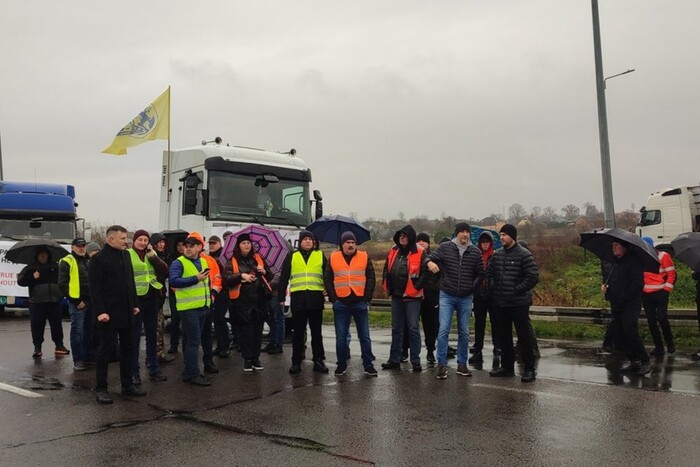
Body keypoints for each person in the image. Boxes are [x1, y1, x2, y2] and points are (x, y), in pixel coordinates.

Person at [89, 225, 146, 404]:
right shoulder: (98, 259)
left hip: (127, 312)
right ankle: (101, 388)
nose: (126, 242)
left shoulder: (126, 255)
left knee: (128, 349)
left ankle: (127, 385)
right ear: (110, 239)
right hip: (108, 314)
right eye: (122, 239)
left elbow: (130, 283)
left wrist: (135, 304)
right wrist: (100, 311)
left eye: (126, 238)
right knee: (106, 351)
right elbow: (95, 289)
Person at [426, 222, 483, 379]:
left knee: (464, 332)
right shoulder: (445, 248)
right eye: (462, 232)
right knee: (444, 329)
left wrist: (472, 287)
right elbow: (429, 258)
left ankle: (461, 364)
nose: (465, 235)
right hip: (447, 294)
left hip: (466, 296)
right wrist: (430, 263)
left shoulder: (475, 252)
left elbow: (480, 273)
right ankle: (442, 364)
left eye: (467, 232)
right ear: (456, 233)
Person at [488, 225, 540, 382]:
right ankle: (507, 367)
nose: (501, 237)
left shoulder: (524, 255)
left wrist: (517, 289)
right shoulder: (497, 255)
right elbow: (489, 274)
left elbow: (532, 276)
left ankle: (529, 369)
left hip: (519, 303)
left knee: (524, 337)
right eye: (500, 235)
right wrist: (494, 288)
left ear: (512, 236)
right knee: (504, 336)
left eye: (504, 234)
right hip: (501, 302)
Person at [323, 231, 378, 377]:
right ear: (342, 244)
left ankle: (368, 365)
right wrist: (334, 299)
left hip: (359, 302)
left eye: (353, 242)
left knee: (364, 336)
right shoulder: (334, 257)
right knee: (341, 337)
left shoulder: (364, 256)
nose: (351, 245)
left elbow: (371, 277)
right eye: (348, 242)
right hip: (341, 303)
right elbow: (327, 278)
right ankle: (341, 365)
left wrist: (366, 298)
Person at [169, 234, 218, 386]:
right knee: (193, 342)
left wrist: (209, 299)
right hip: (189, 309)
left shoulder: (203, 261)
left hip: (203, 307)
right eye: (186, 246)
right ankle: (192, 373)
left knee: (194, 341)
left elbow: (207, 283)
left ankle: (189, 371)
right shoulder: (179, 263)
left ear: (199, 248)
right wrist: (195, 278)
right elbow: (174, 281)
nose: (188, 249)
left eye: (191, 246)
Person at [278, 230, 328, 374]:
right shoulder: (292, 256)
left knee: (316, 332)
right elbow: (284, 278)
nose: (308, 242)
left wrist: (328, 290)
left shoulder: (319, 255)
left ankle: (318, 360)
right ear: (300, 242)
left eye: (310, 240)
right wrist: (281, 297)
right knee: (298, 333)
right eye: (305, 239)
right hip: (298, 300)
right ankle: (296, 361)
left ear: (314, 242)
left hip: (315, 299)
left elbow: (328, 275)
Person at [599, 238, 651, 376]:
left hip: (631, 303)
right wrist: (606, 289)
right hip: (617, 303)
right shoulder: (614, 262)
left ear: (625, 247)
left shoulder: (633, 262)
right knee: (622, 331)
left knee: (630, 331)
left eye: (616, 245)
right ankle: (633, 360)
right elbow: (613, 280)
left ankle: (644, 360)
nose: (614, 248)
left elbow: (637, 284)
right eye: (612, 245)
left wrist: (624, 296)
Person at [223, 233, 273, 372]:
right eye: (243, 243)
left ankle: (256, 358)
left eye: (248, 243)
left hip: (259, 300)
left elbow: (270, 276)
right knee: (246, 331)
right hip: (242, 301)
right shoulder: (232, 261)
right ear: (238, 246)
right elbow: (226, 279)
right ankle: (247, 358)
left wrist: (264, 271)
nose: (247, 245)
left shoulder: (258, 258)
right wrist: (241, 276)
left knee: (258, 331)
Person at [381, 225, 428, 373]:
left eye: (405, 235)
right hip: (396, 295)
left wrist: (417, 287)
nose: (402, 237)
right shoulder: (393, 250)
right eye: (400, 235)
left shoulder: (420, 251)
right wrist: (387, 285)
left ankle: (415, 360)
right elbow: (386, 268)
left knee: (413, 328)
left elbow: (426, 273)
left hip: (412, 297)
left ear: (411, 237)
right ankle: (394, 359)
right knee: (396, 328)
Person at [128, 230, 169, 385]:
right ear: (134, 241)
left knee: (152, 336)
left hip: (152, 299)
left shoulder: (151, 255)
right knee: (135, 338)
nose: (143, 242)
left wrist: (152, 255)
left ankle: (153, 368)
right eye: (140, 239)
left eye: (146, 240)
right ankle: (134, 372)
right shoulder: (128, 254)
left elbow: (164, 271)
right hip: (136, 301)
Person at [18, 247, 70, 359]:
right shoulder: (31, 268)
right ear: (37, 256)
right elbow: (20, 281)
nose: (42, 256)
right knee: (37, 326)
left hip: (55, 301)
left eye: (44, 254)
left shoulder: (57, 267)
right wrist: (32, 277)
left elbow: (65, 279)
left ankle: (59, 345)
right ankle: (37, 348)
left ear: (48, 255)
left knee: (57, 326)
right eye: (40, 254)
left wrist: (61, 293)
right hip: (37, 303)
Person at [58, 237, 93, 371]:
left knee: (88, 331)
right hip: (77, 302)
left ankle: (87, 357)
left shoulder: (89, 260)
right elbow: (62, 285)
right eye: (79, 246)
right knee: (77, 331)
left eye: (83, 245)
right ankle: (78, 360)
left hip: (90, 300)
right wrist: (76, 301)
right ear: (72, 247)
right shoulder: (67, 261)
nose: (81, 248)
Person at [641, 237, 676, 356]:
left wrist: (666, 289)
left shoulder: (663, 256)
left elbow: (672, 273)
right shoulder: (640, 258)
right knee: (651, 321)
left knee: (662, 317)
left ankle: (669, 342)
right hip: (646, 293)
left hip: (660, 292)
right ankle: (659, 347)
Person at [469, 231, 498, 365]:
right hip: (479, 294)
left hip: (492, 294)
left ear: (491, 243)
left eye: (487, 242)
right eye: (483, 242)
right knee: (479, 324)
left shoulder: (496, 255)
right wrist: (475, 289)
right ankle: (478, 350)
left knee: (495, 322)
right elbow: (473, 274)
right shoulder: (476, 256)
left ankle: (497, 348)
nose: (485, 244)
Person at [149, 233, 175, 365]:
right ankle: (154, 355)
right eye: (158, 242)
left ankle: (159, 353)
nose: (161, 244)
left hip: (160, 294)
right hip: (150, 294)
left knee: (160, 325)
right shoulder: (150, 256)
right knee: (155, 326)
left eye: (163, 242)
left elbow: (167, 272)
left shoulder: (167, 256)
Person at [208, 235, 232, 357]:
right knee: (216, 319)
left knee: (220, 318)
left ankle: (225, 346)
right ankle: (220, 345)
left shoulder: (224, 257)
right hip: (213, 291)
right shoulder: (208, 257)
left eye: (214, 243)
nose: (211, 245)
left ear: (219, 243)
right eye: (210, 243)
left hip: (223, 291)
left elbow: (227, 272)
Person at [168, 238, 186, 354]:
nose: (180, 247)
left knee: (185, 321)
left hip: (186, 293)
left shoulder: (189, 259)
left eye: (182, 245)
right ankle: (173, 344)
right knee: (175, 319)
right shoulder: (172, 260)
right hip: (174, 292)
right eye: (178, 245)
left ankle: (185, 344)